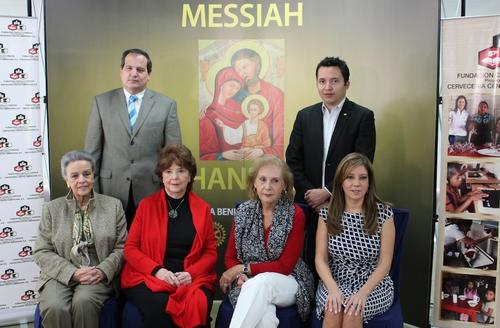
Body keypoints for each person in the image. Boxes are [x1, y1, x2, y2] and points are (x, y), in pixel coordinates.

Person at [286, 56, 376, 278]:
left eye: (334, 81)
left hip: (345, 205)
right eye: (322, 81)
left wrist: (328, 193)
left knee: (336, 265)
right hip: (307, 205)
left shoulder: (362, 116)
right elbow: (292, 159)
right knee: (305, 262)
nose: (328, 87)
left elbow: (362, 162)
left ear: (347, 83)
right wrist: (311, 194)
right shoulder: (305, 116)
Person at [121, 144, 217, 328]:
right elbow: (130, 249)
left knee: (198, 302)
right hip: (149, 276)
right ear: (161, 176)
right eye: (168, 171)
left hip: (190, 277)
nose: (174, 177)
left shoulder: (202, 208)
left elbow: (210, 253)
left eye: (181, 171)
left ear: (190, 176)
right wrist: (158, 271)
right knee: (161, 308)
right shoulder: (146, 206)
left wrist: (191, 274)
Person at [85, 48, 182, 228]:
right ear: (121, 71)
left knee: (148, 245)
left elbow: (174, 155)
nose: (134, 74)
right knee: (113, 247)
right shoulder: (102, 102)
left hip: (151, 190)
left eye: (140, 69)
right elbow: (92, 153)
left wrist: (170, 192)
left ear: (149, 74)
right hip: (110, 191)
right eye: (129, 68)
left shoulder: (166, 105)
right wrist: (93, 193)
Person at [34, 150, 127, 328]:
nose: (82, 180)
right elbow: (41, 251)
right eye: (74, 176)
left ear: (93, 175)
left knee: (83, 302)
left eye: (86, 174)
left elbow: (122, 247)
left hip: (96, 274)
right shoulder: (52, 209)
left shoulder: (113, 206)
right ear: (66, 180)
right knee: (56, 306)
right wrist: (72, 273)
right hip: (59, 275)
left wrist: (102, 270)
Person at [219, 155, 314, 327]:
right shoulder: (243, 212)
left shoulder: (295, 214)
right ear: (254, 183)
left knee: (261, 284)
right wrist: (240, 275)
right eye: (262, 179)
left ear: (284, 185)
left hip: (289, 280)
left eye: (275, 180)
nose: (267, 186)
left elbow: (285, 266)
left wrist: (243, 269)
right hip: (248, 281)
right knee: (265, 317)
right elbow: (230, 257)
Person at [315, 153, 394, 326]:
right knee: (333, 310)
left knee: (353, 312)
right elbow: (320, 260)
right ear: (341, 182)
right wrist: (333, 289)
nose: (356, 183)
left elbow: (385, 263)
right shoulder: (326, 214)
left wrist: (363, 293)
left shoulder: (384, 213)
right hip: (334, 280)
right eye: (350, 177)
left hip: (373, 284)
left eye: (362, 178)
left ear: (369, 182)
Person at [231, 48, 284, 159]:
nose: (243, 73)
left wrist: (263, 151)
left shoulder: (275, 94)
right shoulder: (234, 97)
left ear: (256, 64)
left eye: (245, 67)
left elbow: (279, 143)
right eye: (238, 70)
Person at [199, 66, 245, 160]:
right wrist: (221, 155)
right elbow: (202, 155)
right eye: (231, 85)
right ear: (221, 83)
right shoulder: (206, 113)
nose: (233, 91)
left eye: (237, 88)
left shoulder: (239, 111)